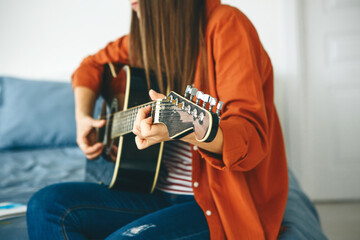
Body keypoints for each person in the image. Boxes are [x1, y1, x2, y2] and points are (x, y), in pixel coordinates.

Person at [26, 0, 288, 239]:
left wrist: (179, 123)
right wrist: (83, 117)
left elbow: (248, 138)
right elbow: (89, 67)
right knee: (46, 205)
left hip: (213, 205)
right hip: (151, 192)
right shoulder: (149, 40)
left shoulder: (226, 25)